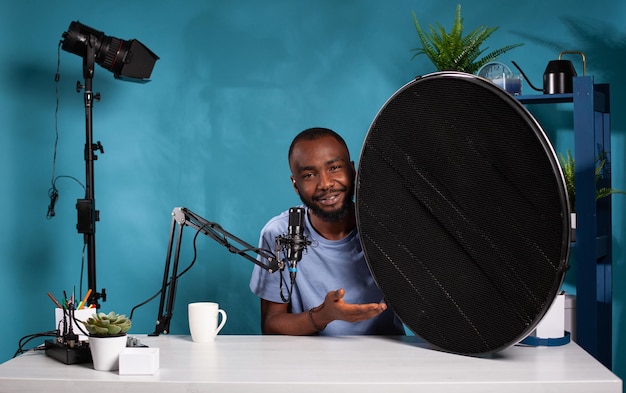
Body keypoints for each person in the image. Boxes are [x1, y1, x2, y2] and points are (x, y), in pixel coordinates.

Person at [249, 127, 405, 335]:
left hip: (389, 358)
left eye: (334, 168)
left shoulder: (387, 225)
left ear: (353, 171)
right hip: (310, 362)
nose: (325, 184)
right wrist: (325, 314)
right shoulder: (279, 233)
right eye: (309, 174)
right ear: (295, 185)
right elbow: (271, 324)